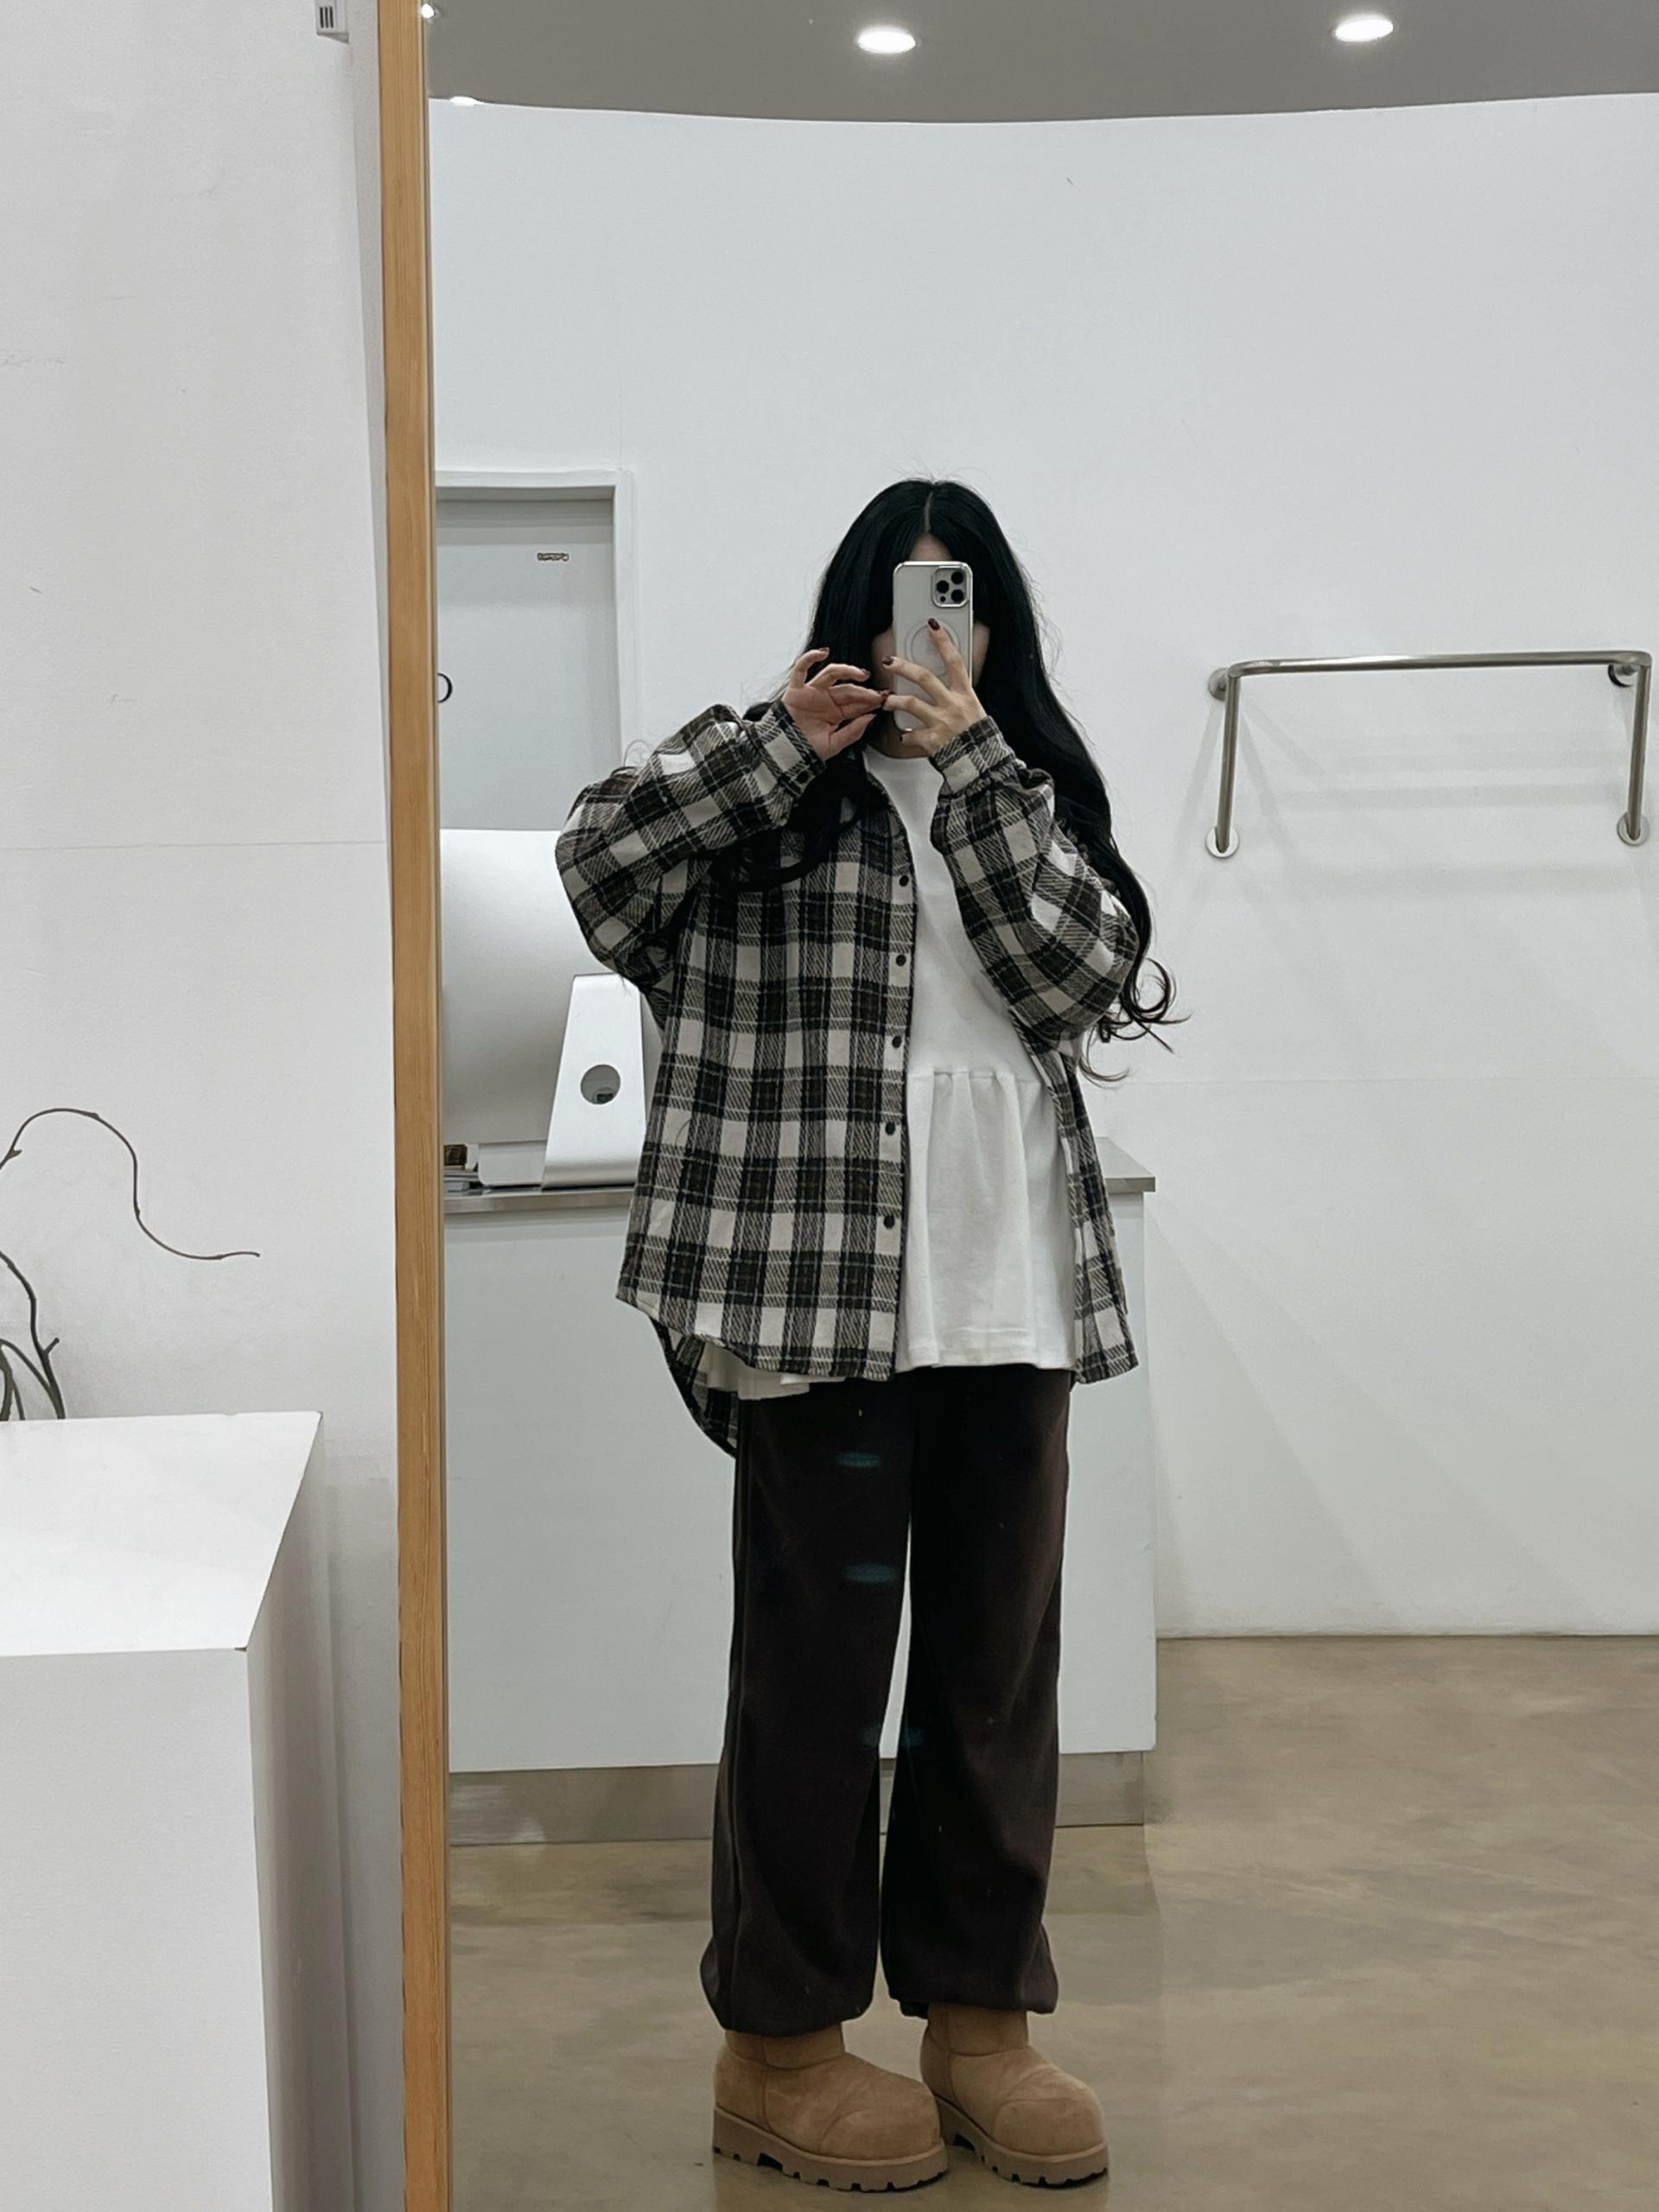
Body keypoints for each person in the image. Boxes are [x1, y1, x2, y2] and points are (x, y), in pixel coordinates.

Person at [556, 479, 1175, 2191]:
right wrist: (780, 741)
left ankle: (980, 2024)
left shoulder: (1029, 791)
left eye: (956, 602)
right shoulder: (761, 799)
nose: (930, 635)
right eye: (906, 600)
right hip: (810, 1297)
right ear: (856, 613)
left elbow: (1078, 978)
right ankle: (780, 2045)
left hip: (1009, 1291)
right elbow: (596, 869)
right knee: (813, 1685)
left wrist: (978, 771)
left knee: (994, 1683)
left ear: (990, 627)